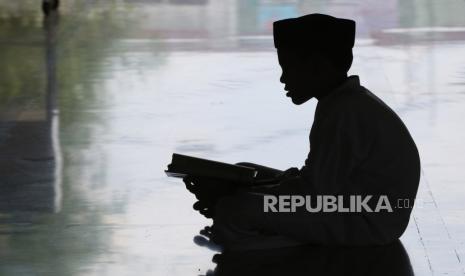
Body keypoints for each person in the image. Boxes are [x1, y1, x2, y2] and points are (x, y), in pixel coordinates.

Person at [185, 13, 420, 250]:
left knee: (234, 208)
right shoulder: (345, 103)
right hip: (353, 205)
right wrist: (247, 187)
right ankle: (274, 228)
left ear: (318, 67)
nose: (283, 78)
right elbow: (317, 185)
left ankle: (283, 240)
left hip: (366, 218)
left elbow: (313, 193)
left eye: (289, 68)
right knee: (246, 171)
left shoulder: (344, 113)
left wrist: (239, 194)